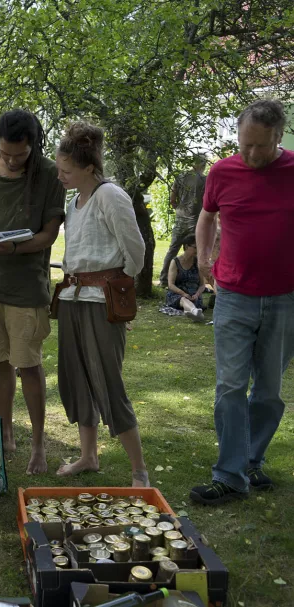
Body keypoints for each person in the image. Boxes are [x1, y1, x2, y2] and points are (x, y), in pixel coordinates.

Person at [190, 99, 294, 505]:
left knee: (268, 391)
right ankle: (230, 475)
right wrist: (202, 257)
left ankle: (252, 459)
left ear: (278, 137)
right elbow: (206, 216)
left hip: (285, 297)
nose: (250, 154)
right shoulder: (222, 171)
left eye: (260, 147)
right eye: (244, 144)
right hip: (233, 294)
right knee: (230, 386)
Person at [0, 109, 66, 475]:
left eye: (20, 154)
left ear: (34, 145)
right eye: (6, 153)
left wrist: (18, 248)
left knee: (29, 365)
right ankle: (5, 431)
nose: (12, 160)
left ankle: (38, 443)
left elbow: (50, 234)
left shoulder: (48, 173)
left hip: (25, 288)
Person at [54, 121, 148, 487]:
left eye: (66, 170)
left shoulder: (111, 196)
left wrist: (115, 288)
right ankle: (88, 456)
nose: (60, 175)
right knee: (76, 379)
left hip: (101, 303)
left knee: (108, 382)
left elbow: (135, 252)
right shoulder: (74, 201)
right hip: (72, 300)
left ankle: (139, 469)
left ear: (89, 167)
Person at [159, 156, 207, 287]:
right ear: (202, 165)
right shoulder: (204, 180)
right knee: (196, 251)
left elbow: (172, 199)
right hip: (195, 220)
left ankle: (164, 280)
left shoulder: (180, 177)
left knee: (172, 249)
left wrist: (179, 210)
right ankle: (196, 281)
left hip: (180, 218)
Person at [162, 238, 206, 322]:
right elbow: (171, 285)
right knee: (183, 299)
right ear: (186, 246)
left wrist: (197, 294)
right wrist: (183, 293)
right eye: (195, 247)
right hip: (177, 294)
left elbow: (202, 285)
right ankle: (195, 312)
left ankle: (194, 313)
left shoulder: (198, 262)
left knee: (190, 300)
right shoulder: (175, 262)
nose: (197, 250)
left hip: (194, 296)